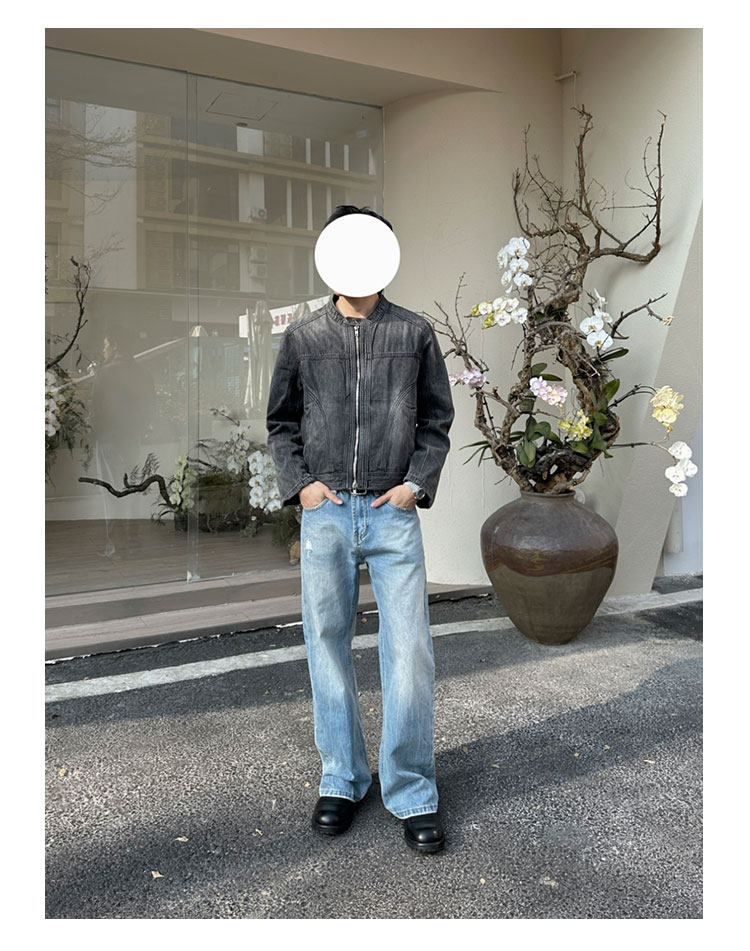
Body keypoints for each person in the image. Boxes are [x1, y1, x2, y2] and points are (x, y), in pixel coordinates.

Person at [265, 206, 455, 853]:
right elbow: (281, 422)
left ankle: (412, 787)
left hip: (390, 511)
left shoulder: (414, 333)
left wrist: (414, 486)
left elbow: (436, 419)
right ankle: (342, 777)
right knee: (326, 642)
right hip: (326, 511)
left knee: (410, 649)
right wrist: (303, 486)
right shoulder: (303, 337)